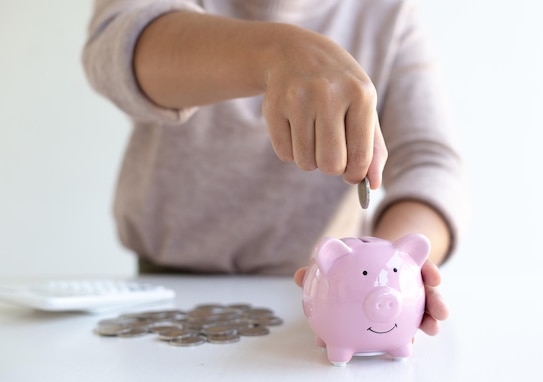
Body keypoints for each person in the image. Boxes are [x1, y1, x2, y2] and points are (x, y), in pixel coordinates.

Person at [82, 0, 468, 336]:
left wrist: (392, 268)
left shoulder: (389, 15)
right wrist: (275, 51)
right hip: (165, 288)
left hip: (327, 293)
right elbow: (116, 48)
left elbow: (430, 163)